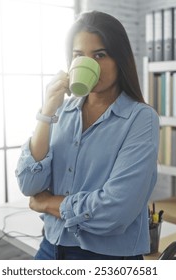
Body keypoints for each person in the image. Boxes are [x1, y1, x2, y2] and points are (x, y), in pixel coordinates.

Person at [16, 10, 159, 260]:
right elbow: (29, 184)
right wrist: (47, 111)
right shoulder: (61, 110)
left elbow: (115, 210)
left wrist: (48, 204)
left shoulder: (140, 118)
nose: (88, 63)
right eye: (78, 55)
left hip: (106, 257)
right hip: (51, 246)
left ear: (120, 59)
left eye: (100, 55)